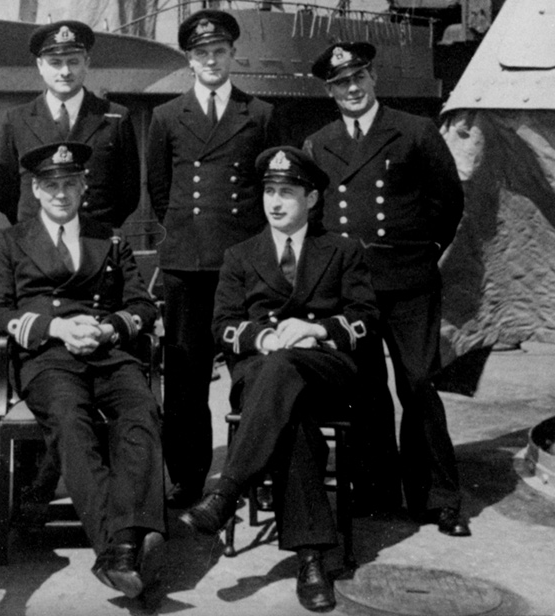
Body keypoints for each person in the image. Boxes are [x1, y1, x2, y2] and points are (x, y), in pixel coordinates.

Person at [181, 147, 379, 613]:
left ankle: (226, 491)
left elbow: (367, 317)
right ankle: (312, 558)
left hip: (325, 367)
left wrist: (316, 329)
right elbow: (222, 325)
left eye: (286, 193)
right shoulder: (240, 254)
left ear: (311, 198)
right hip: (263, 370)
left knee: (288, 368)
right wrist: (264, 336)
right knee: (291, 409)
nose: (274, 202)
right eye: (269, 191)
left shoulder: (343, 250)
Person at [0, 142, 164, 598]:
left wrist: (107, 330)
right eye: (51, 185)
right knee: (70, 419)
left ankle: (124, 540)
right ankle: (119, 545)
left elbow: (141, 303)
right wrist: (56, 326)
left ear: (83, 186)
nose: (61, 194)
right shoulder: (11, 241)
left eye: (70, 184)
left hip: (106, 351)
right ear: (36, 191)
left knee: (142, 410)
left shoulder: (111, 237)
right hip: (48, 358)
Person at [303, 42, 469, 536]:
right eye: (339, 83)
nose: (351, 89)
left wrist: (418, 250)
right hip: (353, 287)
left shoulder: (415, 131)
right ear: (329, 91)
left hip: (410, 279)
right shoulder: (319, 142)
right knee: (367, 388)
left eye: (357, 78)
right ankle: (375, 488)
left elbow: (449, 202)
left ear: (372, 78)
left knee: (419, 384)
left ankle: (437, 497)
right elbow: (316, 218)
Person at [145, 9, 278, 508]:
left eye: (219, 51)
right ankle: (188, 477)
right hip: (186, 265)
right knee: (185, 378)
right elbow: (160, 190)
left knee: (253, 373)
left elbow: (272, 188)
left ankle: (254, 476)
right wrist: (190, 235)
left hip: (243, 264)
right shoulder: (166, 117)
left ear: (232, 55)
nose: (211, 60)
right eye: (201, 53)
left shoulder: (260, 114)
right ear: (190, 60)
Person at [0, 20, 140, 227]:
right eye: (55, 63)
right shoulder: (16, 120)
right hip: (36, 243)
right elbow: (4, 193)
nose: (65, 72)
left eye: (73, 61)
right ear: (40, 65)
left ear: (87, 63)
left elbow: (129, 194)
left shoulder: (115, 117)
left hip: (94, 243)